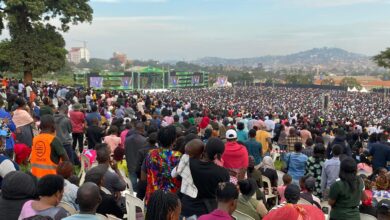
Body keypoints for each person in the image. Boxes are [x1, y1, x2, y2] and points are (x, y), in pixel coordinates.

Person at [181, 138, 230, 217]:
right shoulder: (222, 173)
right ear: (217, 155)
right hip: (207, 212)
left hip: (186, 207)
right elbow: (222, 194)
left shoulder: (189, 162)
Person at [142, 125, 182, 205]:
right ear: (174, 140)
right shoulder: (178, 157)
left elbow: (143, 177)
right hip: (170, 200)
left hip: (151, 198)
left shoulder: (151, 154)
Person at [125, 121, 147, 191]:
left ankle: (133, 199)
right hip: (140, 167)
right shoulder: (144, 140)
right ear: (142, 129)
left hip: (130, 164)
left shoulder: (127, 139)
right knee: (141, 186)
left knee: (133, 186)